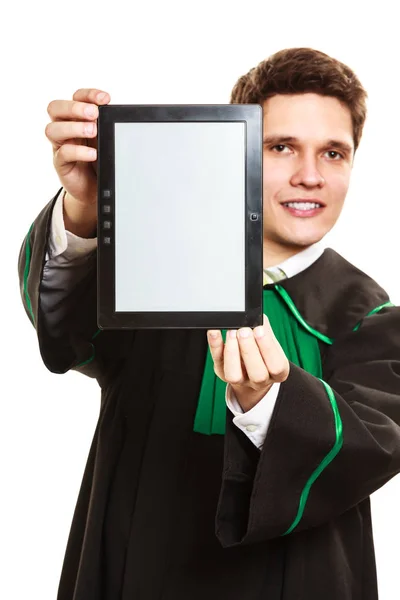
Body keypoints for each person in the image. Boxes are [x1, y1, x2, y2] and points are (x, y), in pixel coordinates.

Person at [18, 47, 400, 600]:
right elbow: (66, 334)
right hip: (136, 571)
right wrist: (83, 207)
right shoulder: (153, 277)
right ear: (236, 152)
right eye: (282, 147)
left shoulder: (371, 319)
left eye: (334, 153)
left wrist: (269, 403)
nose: (310, 175)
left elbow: (369, 449)